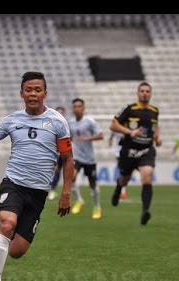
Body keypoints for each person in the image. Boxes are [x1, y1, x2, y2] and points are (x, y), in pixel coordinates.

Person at [0, 72, 74, 281]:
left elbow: (68, 159)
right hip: (13, 183)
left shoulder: (58, 122)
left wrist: (66, 193)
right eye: (29, 90)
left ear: (45, 93)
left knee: (17, 251)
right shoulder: (11, 120)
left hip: (39, 193)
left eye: (38, 90)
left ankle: (6, 236)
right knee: (6, 223)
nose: (33, 94)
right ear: (21, 93)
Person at [110, 82, 161, 225]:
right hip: (129, 151)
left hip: (146, 150)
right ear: (138, 93)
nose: (145, 93)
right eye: (142, 91)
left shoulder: (154, 110)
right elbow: (113, 125)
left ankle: (145, 211)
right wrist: (130, 132)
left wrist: (157, 138)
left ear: (150, 94)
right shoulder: (130, 109)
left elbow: (156, 126)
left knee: (147, 176)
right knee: (124, 179)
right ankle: (119, 188)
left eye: (147, 91)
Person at [68, 98, 104, 219]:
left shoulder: (89, 121)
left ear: (83, 108)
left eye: (79, 106)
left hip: (89, 159)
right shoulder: (71, 122)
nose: (77, 108)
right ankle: (79, 200)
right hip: (77, 157)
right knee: (71, 177)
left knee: (92, 185)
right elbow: (70, 137)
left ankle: (97, 207)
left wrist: (88, 138)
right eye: (75, 106)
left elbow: (101, 136)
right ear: (73, 109)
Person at [47, 106, 66, 201]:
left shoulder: (66, 125)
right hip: (52, 152)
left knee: (58, 171)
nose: (59, 115)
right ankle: (49, 190)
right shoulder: (48, 123)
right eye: (58, 112)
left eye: (61, 112)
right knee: (53, 170)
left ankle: (52, 190)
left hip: (62, 152)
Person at [108, 131, 129, 201]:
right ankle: (122, 192)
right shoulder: (116, 127)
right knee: (123, 171)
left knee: (124, 172)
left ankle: (122, 191)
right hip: (119, 153)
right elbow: (111, 137)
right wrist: (110, 142)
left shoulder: (127, 125)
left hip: (127, 151)